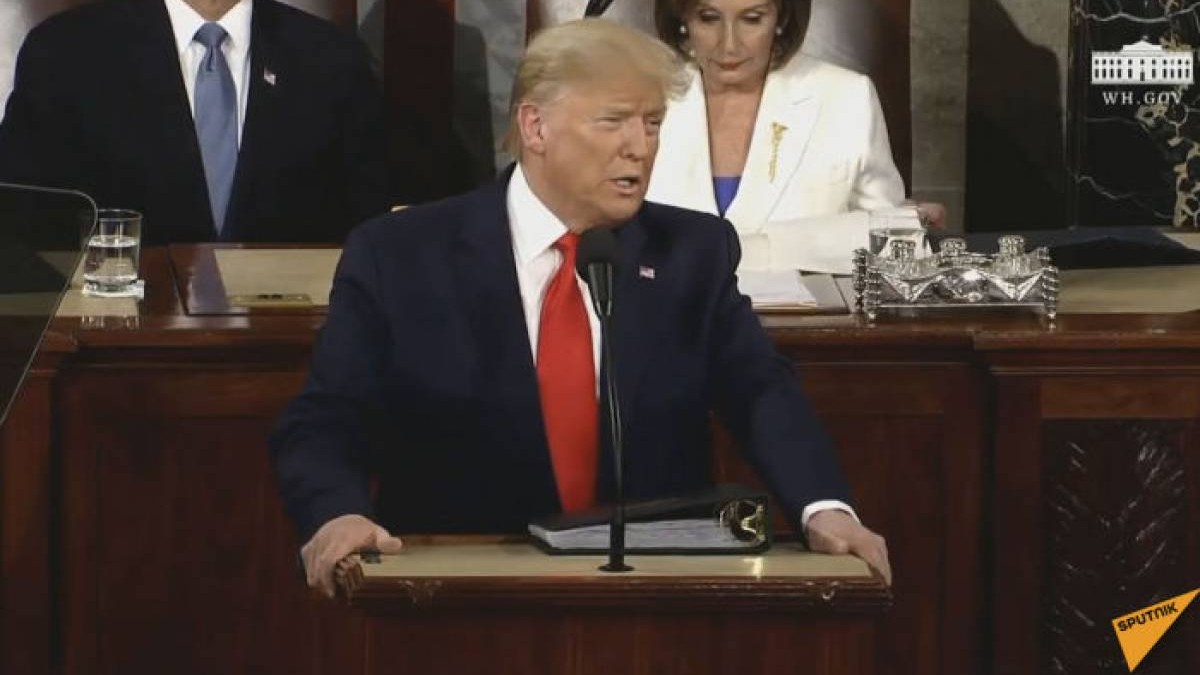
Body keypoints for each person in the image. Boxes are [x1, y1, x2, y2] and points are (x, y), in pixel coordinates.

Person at [270, 18, 890, 597]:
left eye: (652, 123)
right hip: (459, 597)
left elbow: (760, 391)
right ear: (535, 127)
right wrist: (336, 513)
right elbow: (326, 415)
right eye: (613, 121)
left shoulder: (691, 254)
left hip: (648, 602)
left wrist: (823, 508)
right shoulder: (401, 256)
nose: (639, 147)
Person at [0, 0, 395, 245]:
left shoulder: (334, 60)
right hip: (112, 341)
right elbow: (24, 224)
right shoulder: (65, 54)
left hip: (293, 343)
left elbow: (367, 227)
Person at [646, 0, 943, 273]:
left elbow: (890, 245)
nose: (729, 45)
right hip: (662, 313)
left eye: (752, 19)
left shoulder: (846, 97)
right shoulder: (644, 95)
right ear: (682, 17)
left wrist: (904, 222)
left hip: (807, 314)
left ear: (782, 18)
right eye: (708, 18)